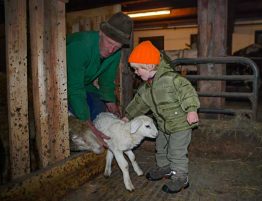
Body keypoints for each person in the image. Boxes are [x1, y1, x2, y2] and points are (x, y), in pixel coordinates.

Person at [122, 41, 200, 193]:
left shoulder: (172, 80)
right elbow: (138, 103)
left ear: (150, 66)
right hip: (163, 125)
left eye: (138, 69)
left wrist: (191, 109)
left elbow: (187, 92)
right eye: (134, 69)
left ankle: (180, 178)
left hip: (180, 124)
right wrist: (127, 116)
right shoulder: (146, 88)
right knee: (161, 148)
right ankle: (165, 168)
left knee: (176, 151)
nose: (136, 72)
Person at [66, 12, 133, 147]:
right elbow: (75, 88)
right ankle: (77, 142)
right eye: (109, 42)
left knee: (99, 110)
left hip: (85, 85)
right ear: (101, 32)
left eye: (117, 46)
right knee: (78, 118)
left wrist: (111, 102)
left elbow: (107, 81)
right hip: (63, 85)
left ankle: (95, 137)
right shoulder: (79, 46)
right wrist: (86, 121)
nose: (111, 49)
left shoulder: (115, 53)